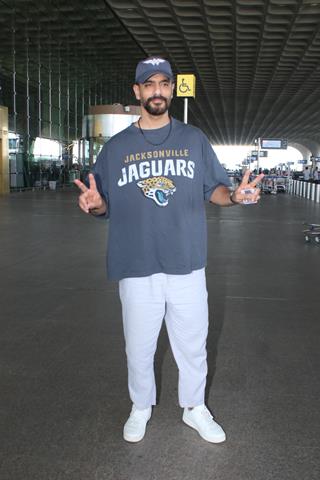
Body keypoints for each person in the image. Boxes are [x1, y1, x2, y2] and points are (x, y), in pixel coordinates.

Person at [74, 57, 263, 444]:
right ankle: (140, 406)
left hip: (186, 262)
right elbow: (103, 202)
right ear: (138, 92)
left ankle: (194, 408)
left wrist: (237, 197)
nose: (157, 90)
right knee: (139, 347)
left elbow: (215, 190)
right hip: (136, 262)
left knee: (193, 343)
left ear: (171, 91)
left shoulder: (193, 140)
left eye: (164, 84)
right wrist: (95, 204)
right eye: (150, 84)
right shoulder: (117, 147)